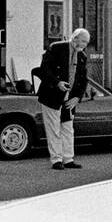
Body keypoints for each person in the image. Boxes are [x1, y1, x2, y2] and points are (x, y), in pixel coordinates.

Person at [35, 28, 90, 171]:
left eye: (86, 43)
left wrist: (78, 97)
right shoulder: (56, 48)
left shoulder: (82, 56)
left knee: (67, 129)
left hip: (69, 98)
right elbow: (44, 70)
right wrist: (57, 83)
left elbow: (83, 79)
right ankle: (56, 160)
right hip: (52, 95)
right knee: (53, 128)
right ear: (75, 37)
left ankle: (68, 158)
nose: (84, 45)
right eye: (83, 41)